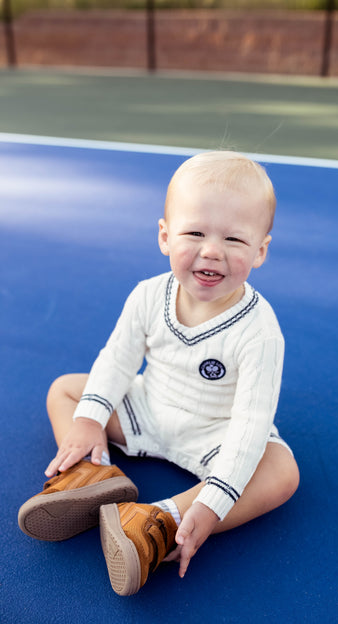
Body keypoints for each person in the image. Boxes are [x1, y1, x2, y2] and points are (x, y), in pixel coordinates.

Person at [18, 151, 299, 596]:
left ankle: (160, 518)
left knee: (281, 472)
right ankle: (94, 475)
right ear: (165, 236)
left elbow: (250, 425)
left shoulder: (260, 330)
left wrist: (213, 503)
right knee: (68, 391)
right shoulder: (149, 294)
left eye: (234, 240)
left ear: (260, 250)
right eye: (195, 233)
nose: (211, 251)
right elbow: (117, 358)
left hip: (215, 435)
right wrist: (91, 420)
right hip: (147, 410)